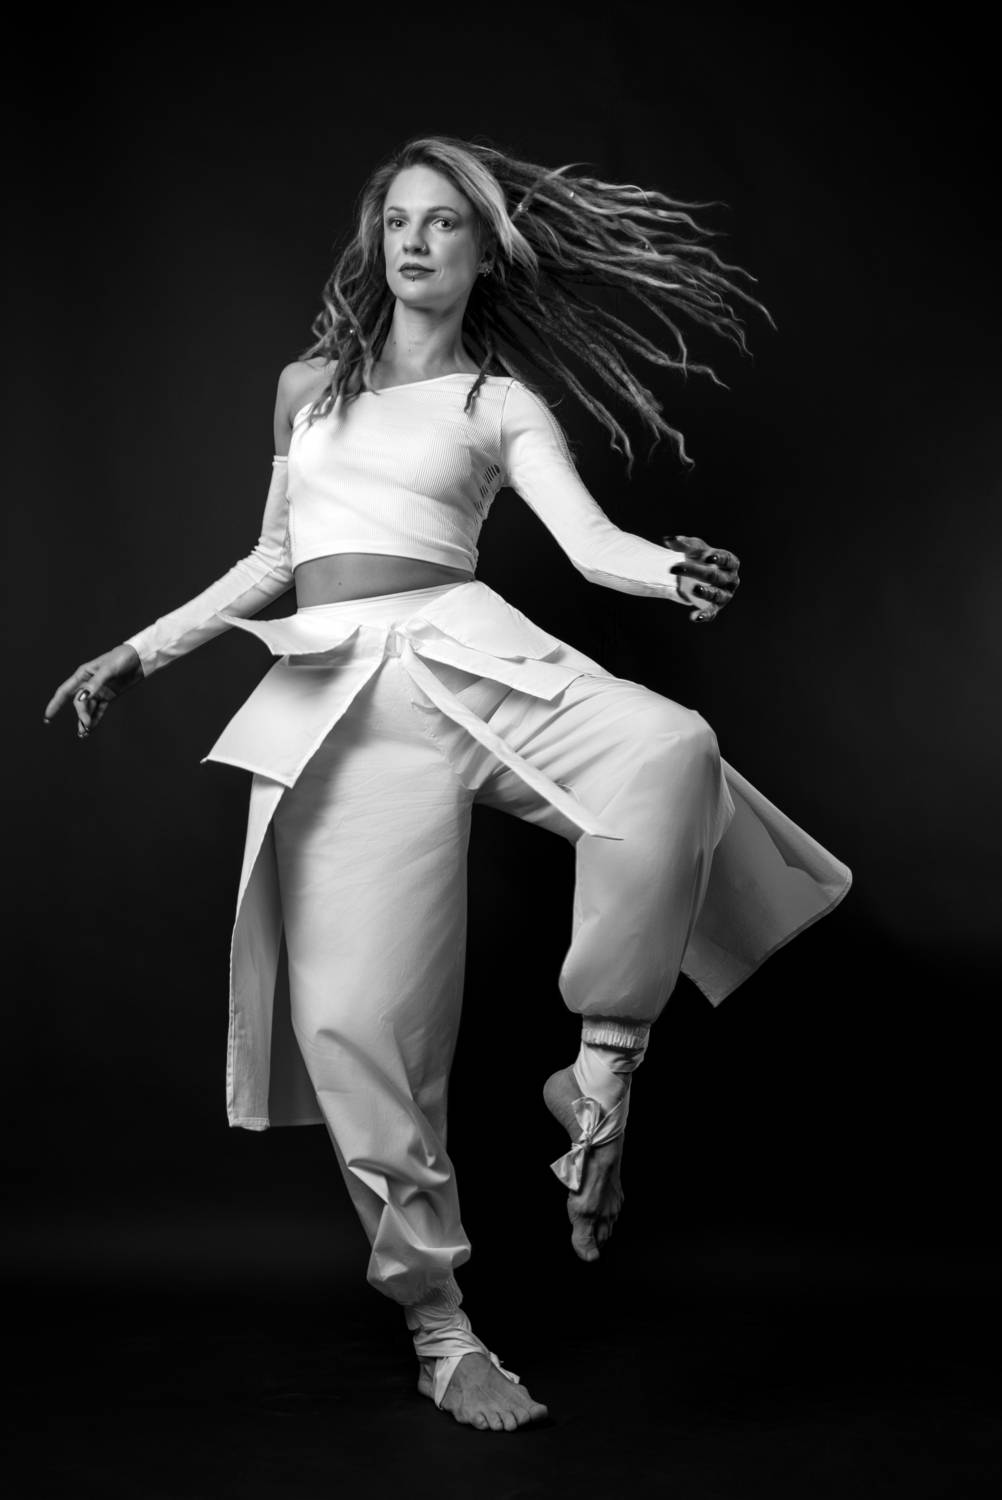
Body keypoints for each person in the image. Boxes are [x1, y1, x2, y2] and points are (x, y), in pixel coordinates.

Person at [44, 135, 851, 1432]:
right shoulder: (306, 390)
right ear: (376, 244)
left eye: (443, 224)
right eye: (397, 222)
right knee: (360, 1025)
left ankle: (601, 1069)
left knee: (668, 750)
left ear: (483, 252)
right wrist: (141, 651)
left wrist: (675, 574)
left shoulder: (498, 403)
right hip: (340, 703)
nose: (415, 241)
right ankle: (439, 1328)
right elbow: (274, 558)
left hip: (476, 660)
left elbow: (593, 546)